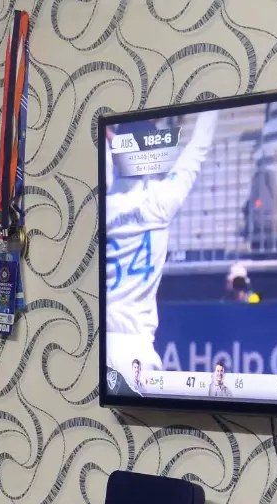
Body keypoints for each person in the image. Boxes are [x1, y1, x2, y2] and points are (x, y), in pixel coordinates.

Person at [104, 110, 219, 379]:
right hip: (136, 350)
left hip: (100, 342)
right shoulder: (160, 202)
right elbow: (198, 147)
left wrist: (110, 141)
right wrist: (215, 103)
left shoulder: (104, 207)